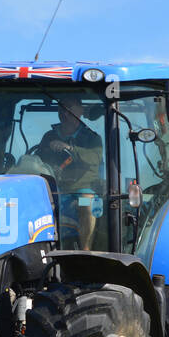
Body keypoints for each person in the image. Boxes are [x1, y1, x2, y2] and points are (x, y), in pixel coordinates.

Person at [34, 98, 103, 250]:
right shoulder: (49, 136)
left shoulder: (92, 138)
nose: (64, 114)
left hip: (81, 191)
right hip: (54, 190)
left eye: (69, 109)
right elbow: (37, 161)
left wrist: (70, 149)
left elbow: (95, 158)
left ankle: (86, 251)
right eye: (62, 110)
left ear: (80, 111)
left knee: (88, 204)